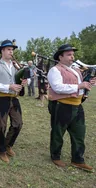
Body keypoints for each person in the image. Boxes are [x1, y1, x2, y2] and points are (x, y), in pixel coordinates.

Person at [47, 44, 96, 172]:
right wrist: (79, 86)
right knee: (58, 132)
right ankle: (55, 156)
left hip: (77, 105)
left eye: (72, 54)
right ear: (60, 56)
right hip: (62, 105)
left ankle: (78, 160)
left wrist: (89, 83)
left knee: (79, 133)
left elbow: (81, 84)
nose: (72, 57)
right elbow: (57, 87)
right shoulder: (55, 70)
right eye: (69, 54)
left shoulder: (76, 70)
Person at [0, 39, 27, 163]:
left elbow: (23, 79)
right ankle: (1, 150)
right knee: (1, 125)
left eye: (12, 50)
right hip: (2, 98)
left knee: (18, 124)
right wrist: (9, 86)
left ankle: (8, 145)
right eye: (9, 49)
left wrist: (26, 81)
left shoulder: (16, 66)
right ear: (2, 51)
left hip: (14, 98)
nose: (11, 52)